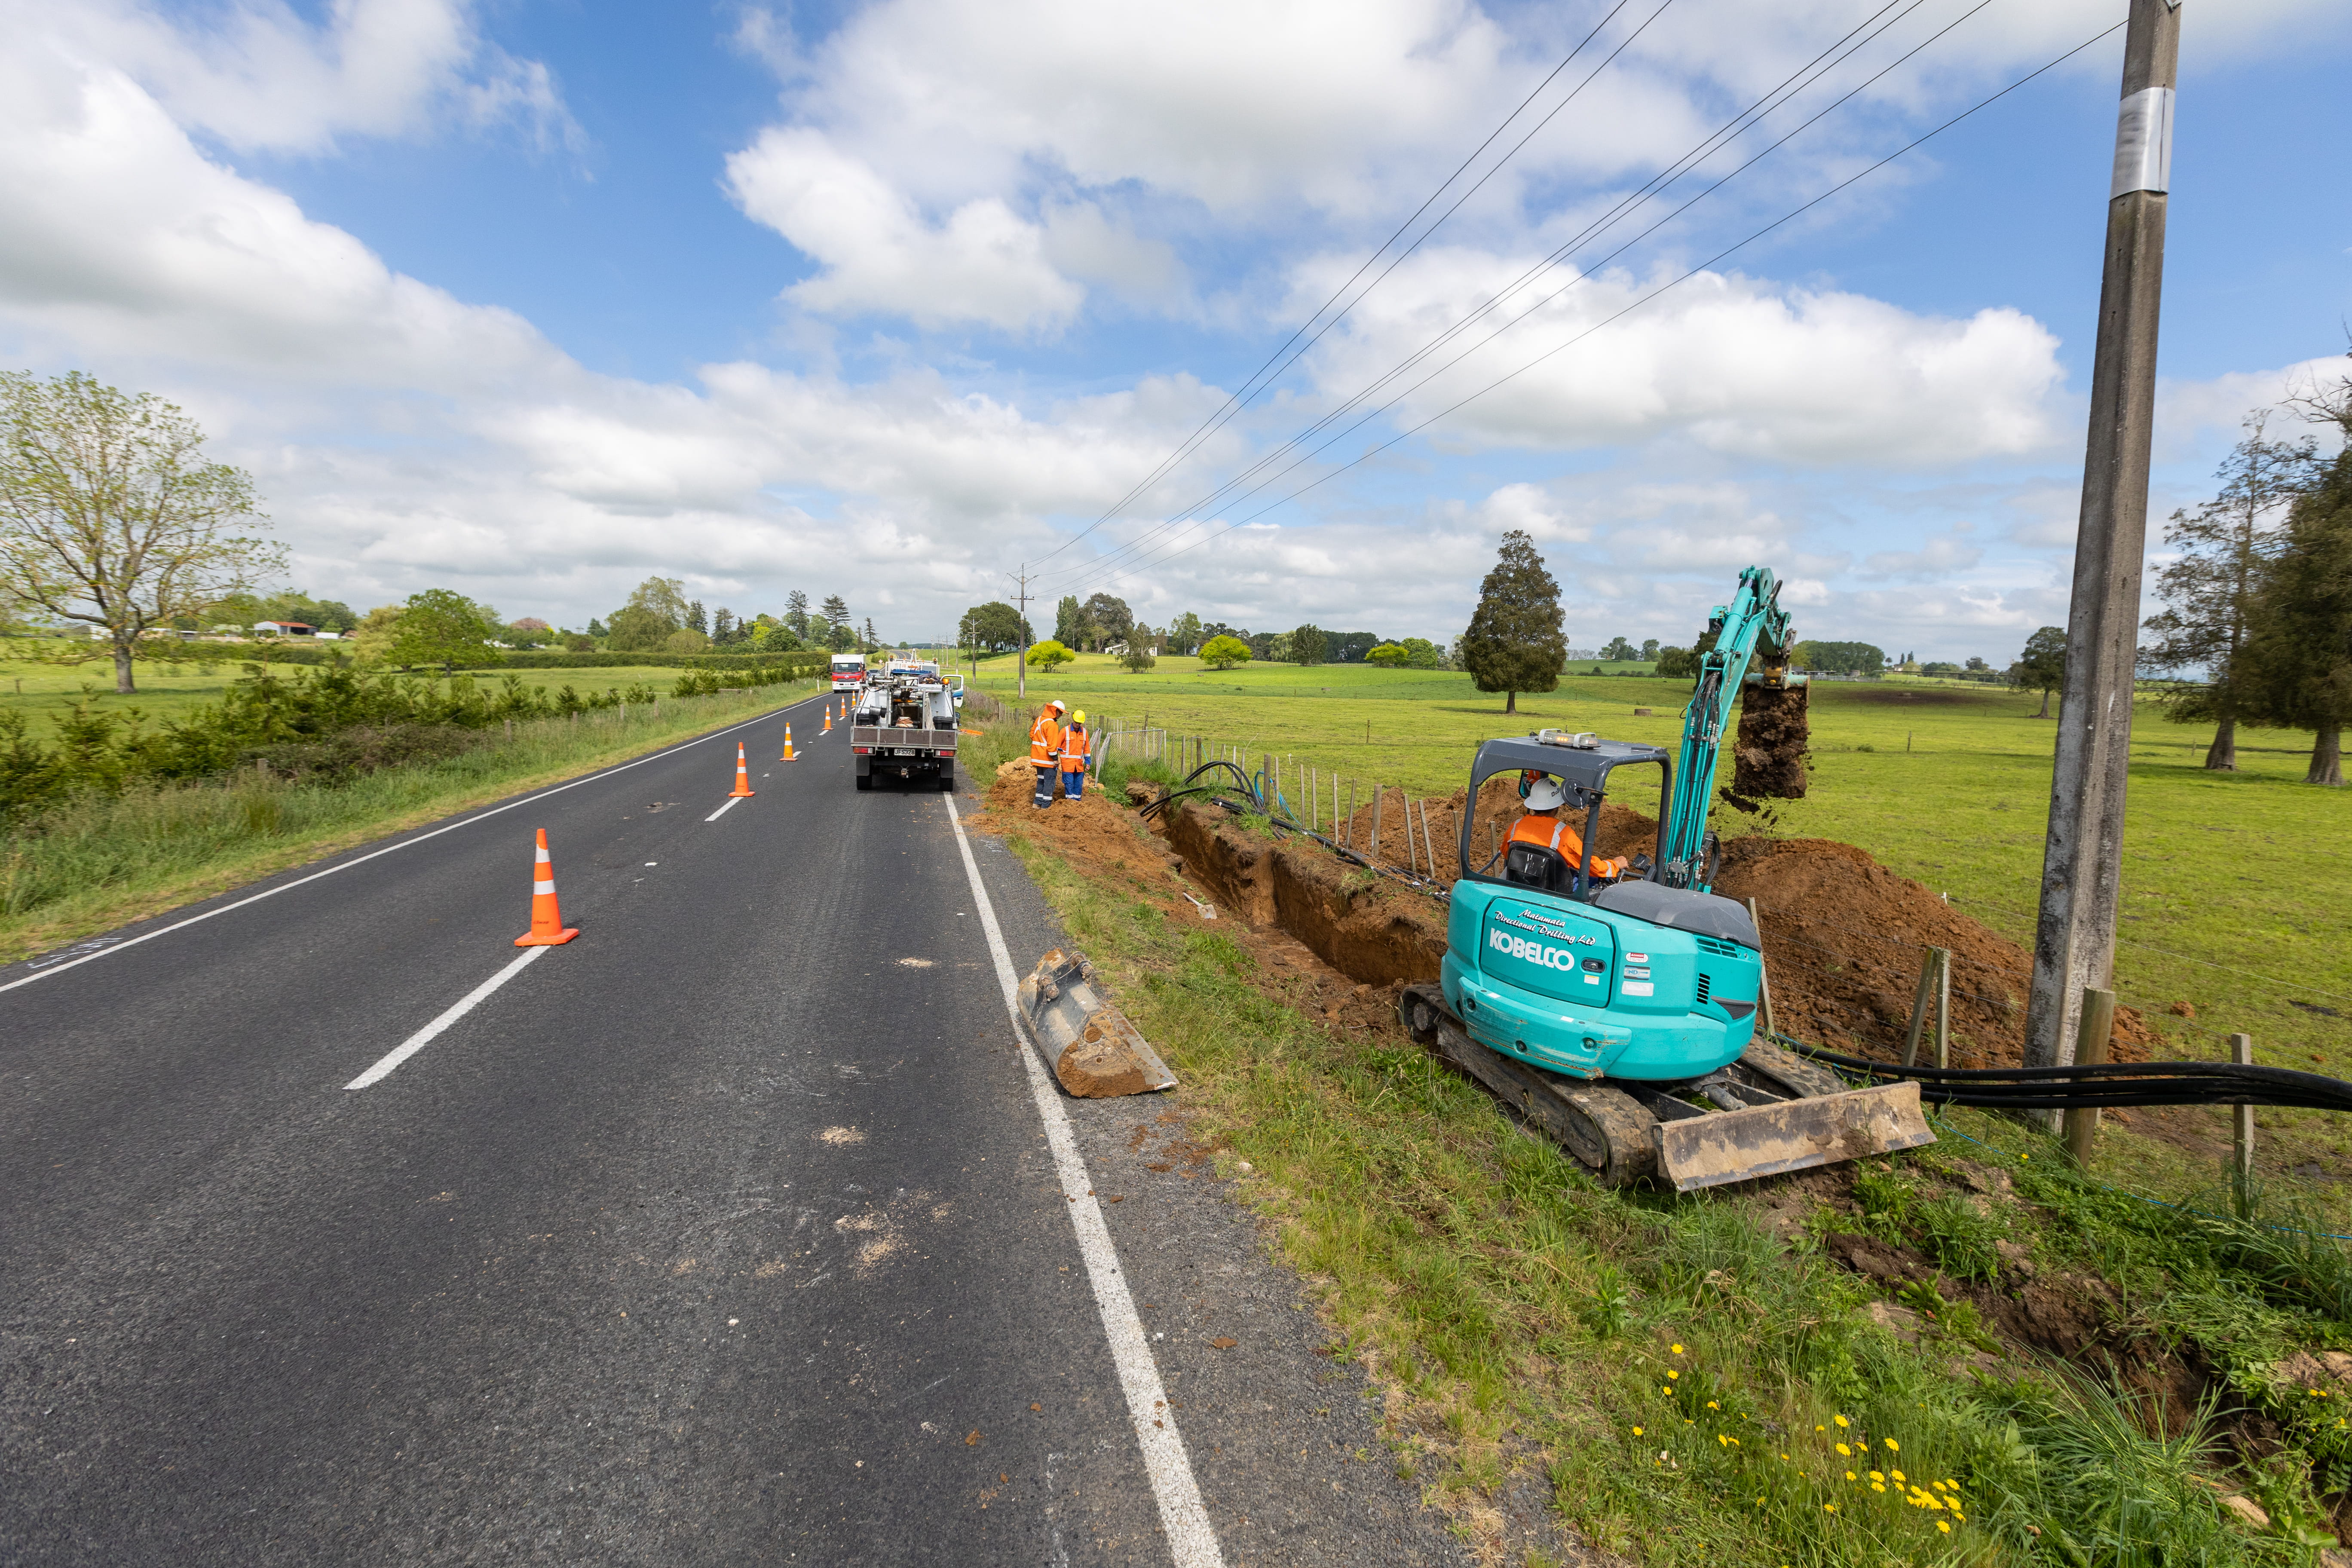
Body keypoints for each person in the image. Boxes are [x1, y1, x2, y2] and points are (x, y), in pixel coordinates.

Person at [1510, 775, 1627, 882]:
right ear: (1558, 805)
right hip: (1555, 890)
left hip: (1521, 883)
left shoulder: (1516, 826)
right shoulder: (1562, 833)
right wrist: (1615, 865)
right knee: (1598, 882)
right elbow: (1589, 865)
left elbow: (1508, 854)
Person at [1029, 700, 1066, 808]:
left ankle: (1037, 803)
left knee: (1041, 780)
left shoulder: (1039, 720)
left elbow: (1032, 735)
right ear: (1055, 711)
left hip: (1037, 758)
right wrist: (1055, 759)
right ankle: (1046, 806)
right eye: (1060, 712)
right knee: (1050, 782)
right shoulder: (1053, 725)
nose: (1061, 715)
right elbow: (1052, 746)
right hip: (1047, 760)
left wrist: (1041, 745)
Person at [1058, 709, 1092, 800]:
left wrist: (1088, 762)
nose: (1078, 724)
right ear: (1073, 720)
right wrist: (1056, 761)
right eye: (1077, 722)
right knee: (1069, 784)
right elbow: (1057, 747)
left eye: (1080, 723)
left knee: (1078, 785)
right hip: (1068, 765)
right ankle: (1070, 803)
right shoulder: (1065, 731)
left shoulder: (1085, 732)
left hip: (1079, 766)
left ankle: (1077, 803)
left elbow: (1087, 749)